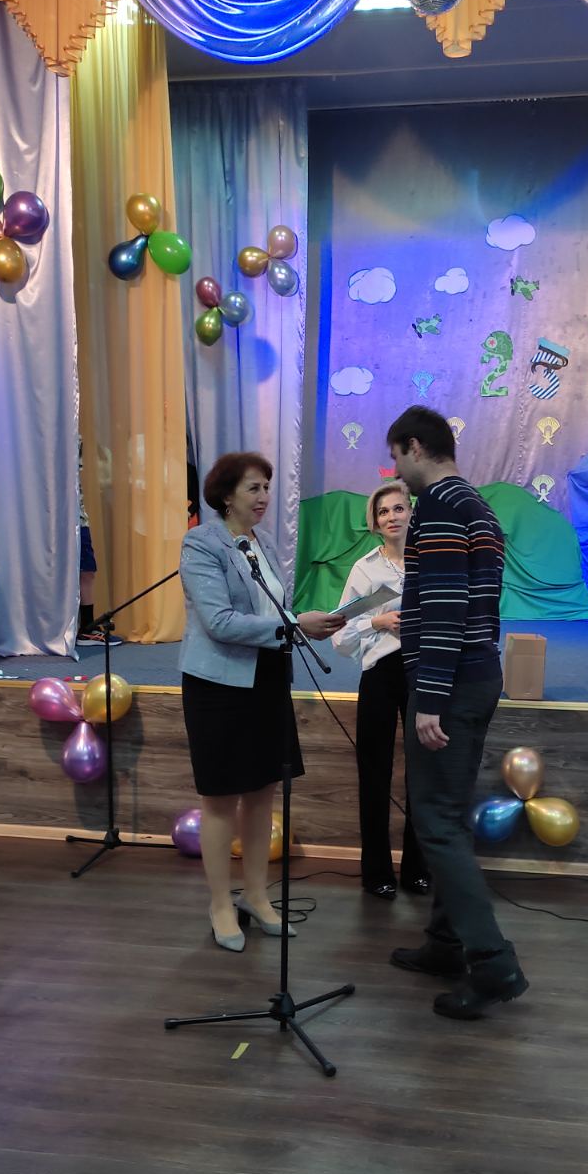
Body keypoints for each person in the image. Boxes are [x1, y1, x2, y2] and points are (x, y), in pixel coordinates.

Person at [385, 405, 528, 1020]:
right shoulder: (476, 505)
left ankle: (493, 964)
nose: (395, 470)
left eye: (396, 456)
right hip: (478, 674)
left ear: (415, 447)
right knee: (446, 814)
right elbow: (473, 605)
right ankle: (445, 942)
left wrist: (431, 696)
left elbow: (445, 608)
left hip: (451, 682)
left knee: (437, 822)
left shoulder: (440, 506)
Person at [179, 451, 345, 952]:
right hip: (219, 685)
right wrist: (295, 624)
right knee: (220, 799)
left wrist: (305, 622)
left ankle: (255, 895)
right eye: (253, 488)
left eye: (267, 488)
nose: (264, 497)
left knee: (262, 793)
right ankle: (220, 904)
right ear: (226, 495)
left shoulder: (264, 542)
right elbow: (219, 622)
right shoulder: (201, 543)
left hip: (267, 678)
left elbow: (273, 609)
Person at [332, 481, 430, 902]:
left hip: (423, 673)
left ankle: (418, 868)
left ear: (411, 513)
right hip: (380, 673)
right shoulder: (365, 570)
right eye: (383, 511)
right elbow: (340, 634)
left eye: (399, 508)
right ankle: (376, 871)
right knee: (374, 773)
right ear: (374, 522)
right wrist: (378, 622)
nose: (392, 516)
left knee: (423, 773)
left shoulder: (431, 560)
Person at [76, 446, 121, 647]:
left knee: (87, 571)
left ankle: (87, 627)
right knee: (84, 571)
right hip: (66, 519)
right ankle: (85, 629)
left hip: (79, 518)